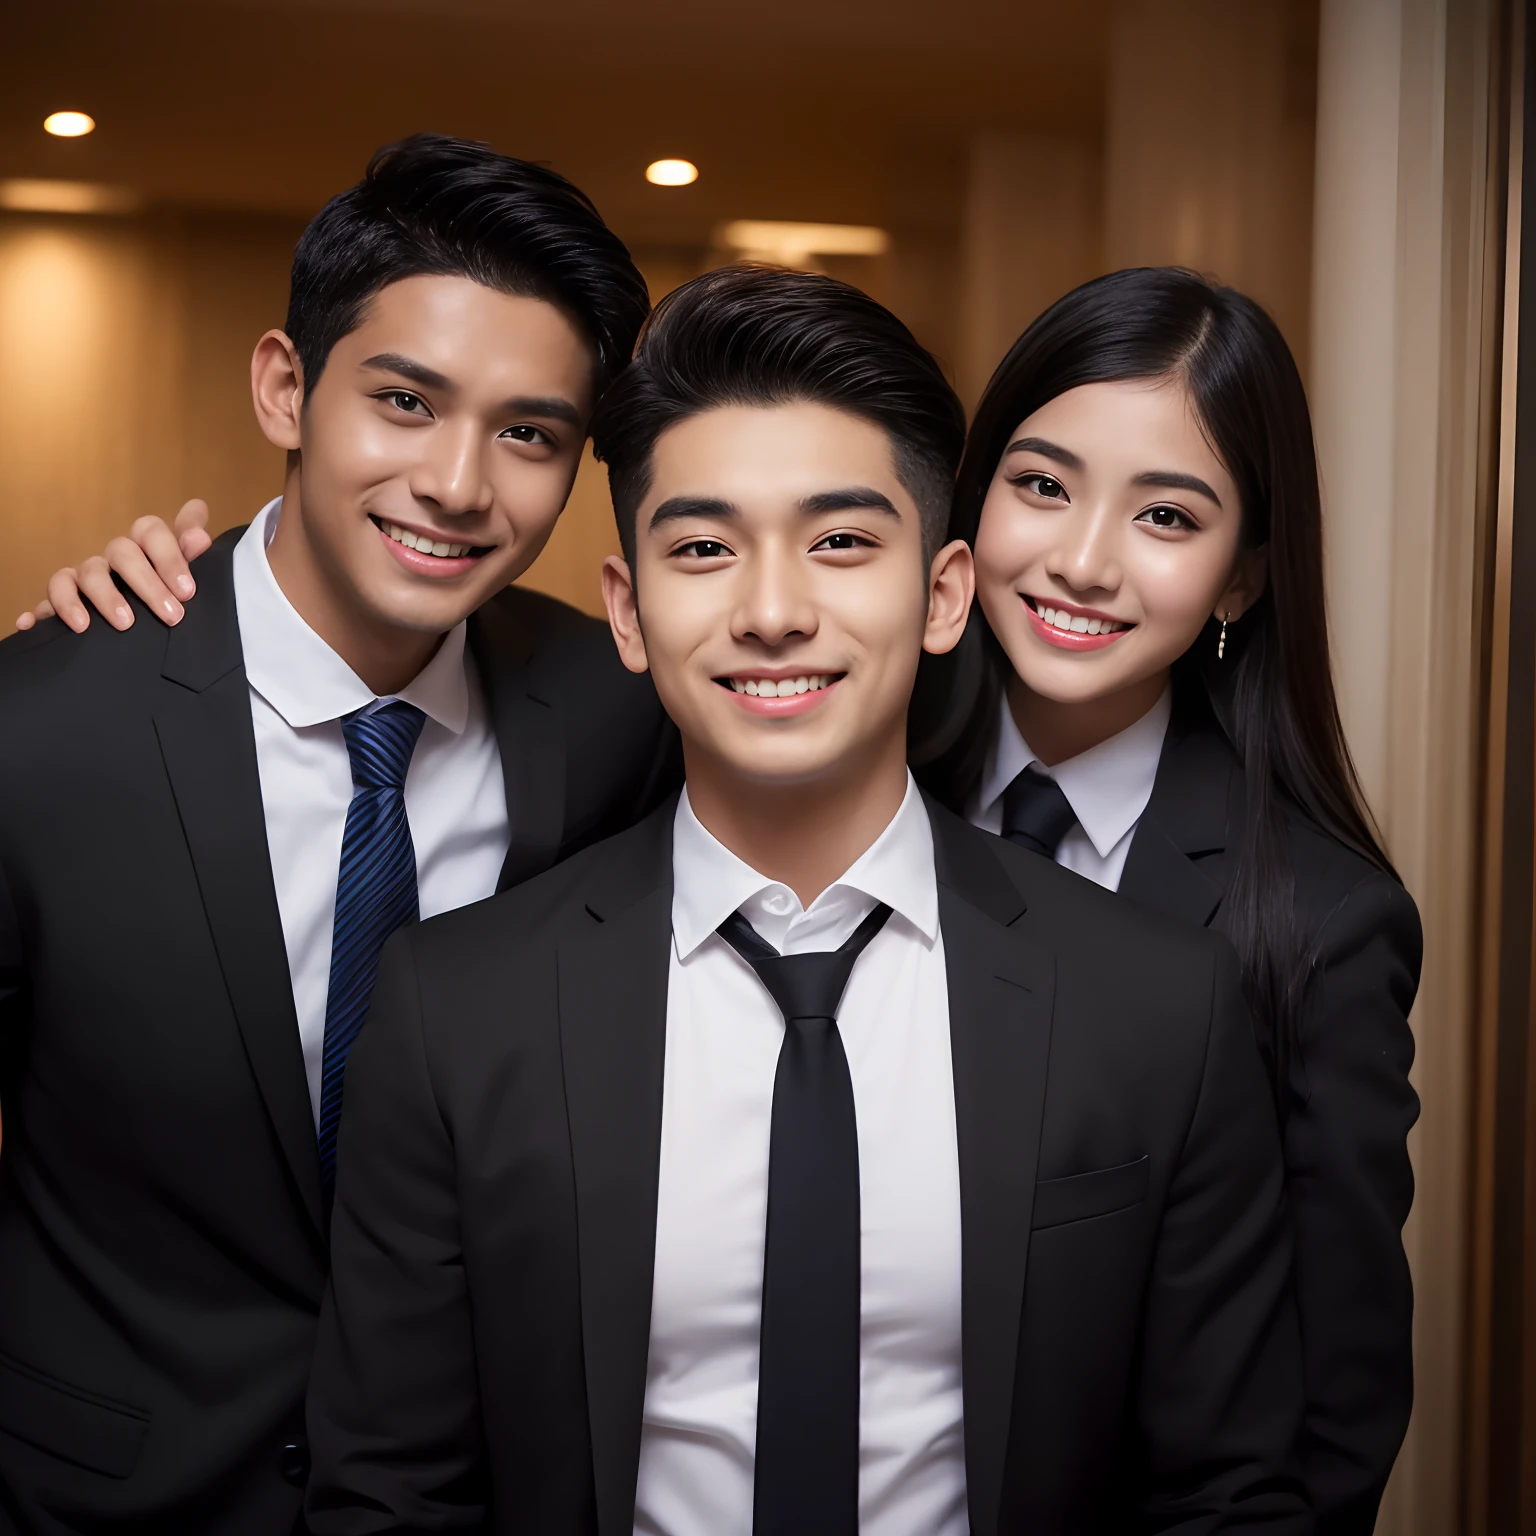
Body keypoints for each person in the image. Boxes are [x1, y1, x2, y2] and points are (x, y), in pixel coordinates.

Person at [300, 265, 1307, 1536]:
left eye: (841, 543)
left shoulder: (1158, 1006)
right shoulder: (461, 1008)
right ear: (628, 609)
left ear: (943, 595)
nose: (772, 612)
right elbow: (391, 1494)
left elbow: (1231, 1497)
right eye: (704, 549)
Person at [0, 133, 675, 1533]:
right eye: (407, 402)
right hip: (104, 1501)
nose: (458, 483)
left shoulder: (620, 717)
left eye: (532, 434)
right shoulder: (45, 728)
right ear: (286, 387)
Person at [912, 266, 1420, 1535]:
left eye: (1168, 518)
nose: (1081, 563)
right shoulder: (843, 790)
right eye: (1042, 486)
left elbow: (1329, 1405)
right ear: (971, 508)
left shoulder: (1316, 919)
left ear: (1242, 579)